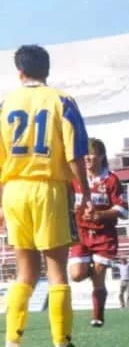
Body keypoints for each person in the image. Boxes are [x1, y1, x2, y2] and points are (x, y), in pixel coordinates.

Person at [0, 45, 91, 347]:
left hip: (14, 190)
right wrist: (85, 192)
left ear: (20, 72)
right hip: (49, 189)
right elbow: (75, 153)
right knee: (56, 271)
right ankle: (61, 341)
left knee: (24, 273)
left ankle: (12, 341)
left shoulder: (5, 104)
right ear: (47, 71)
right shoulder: (61, 101)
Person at [68, 138, 129, 327]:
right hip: (80, 234)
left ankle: (98, 316)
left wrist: (100, 214)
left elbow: (123, 210)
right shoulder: (74, 178)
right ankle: (91, 270)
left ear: (101, 156)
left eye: (91, 154)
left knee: (99, 276)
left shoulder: (111, 179)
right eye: (84, 154)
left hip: (104, 235)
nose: (86, 158)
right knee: (76, 275)